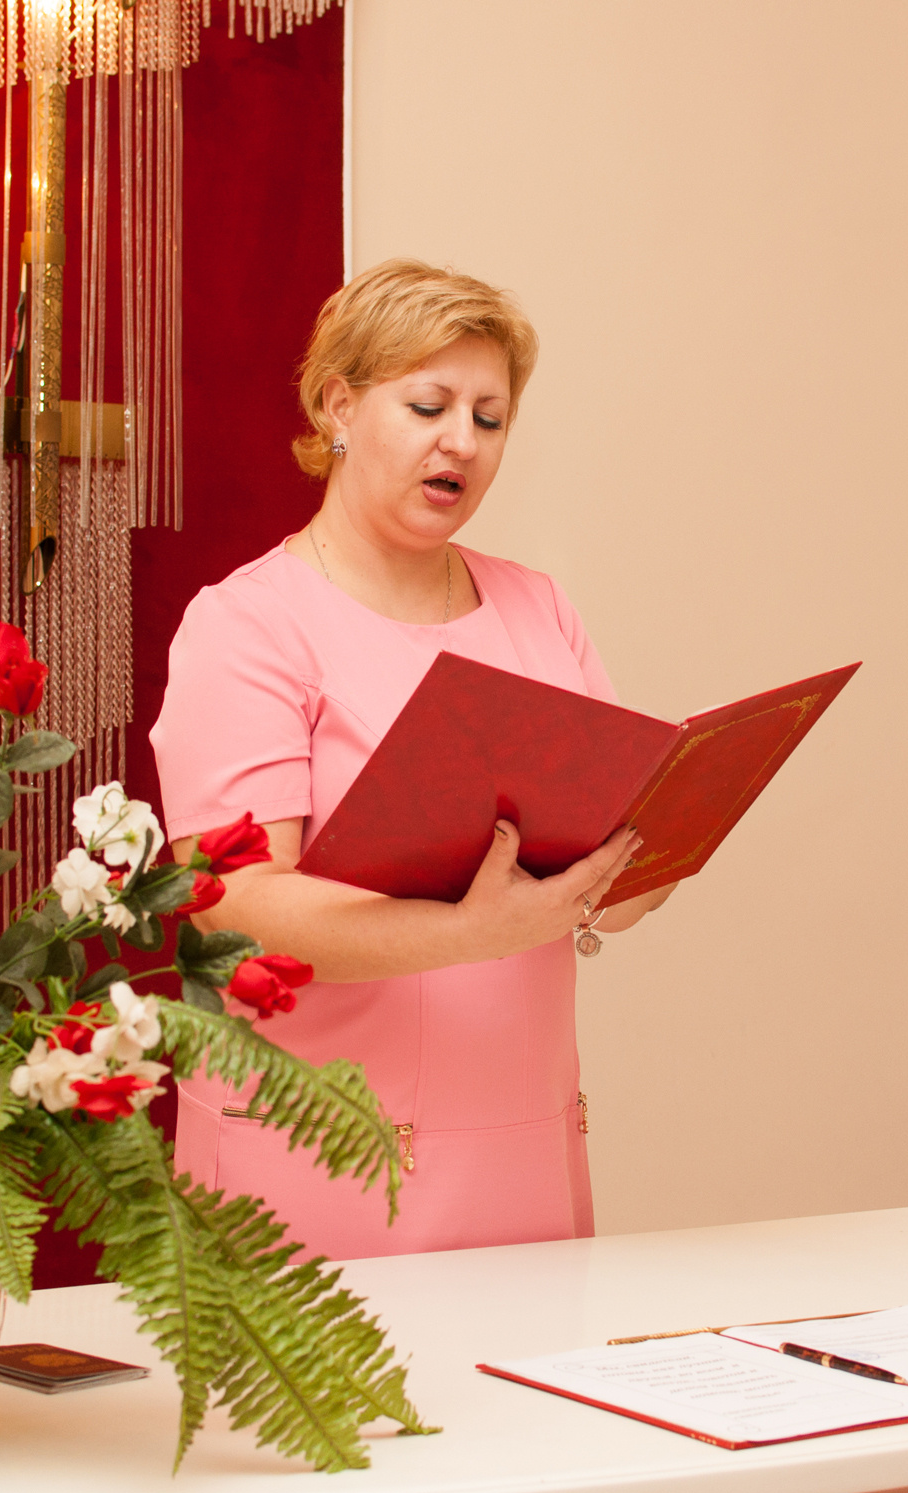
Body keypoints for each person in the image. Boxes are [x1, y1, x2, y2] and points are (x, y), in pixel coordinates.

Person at [150, 258, 676, 1257]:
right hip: (319, 1166)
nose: (461, 443)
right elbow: (238, 904)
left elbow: (608, 855)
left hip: (520, 1155)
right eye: (429, 404)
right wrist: (478, 929)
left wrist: (661, 845)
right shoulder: (248, 624)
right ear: (338, 405)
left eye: (489, 417)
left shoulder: (537, 606)